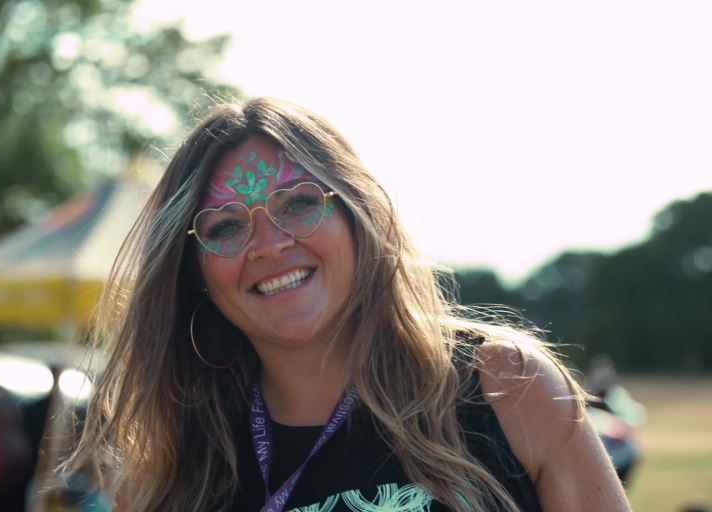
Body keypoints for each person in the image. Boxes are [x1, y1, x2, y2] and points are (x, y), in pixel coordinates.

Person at [66, 98, 631, 511]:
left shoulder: (505, 387)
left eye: (297, 204)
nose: (269, 244)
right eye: (226, 226)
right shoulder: (169, 473)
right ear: (193, 273)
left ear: (357, 215)